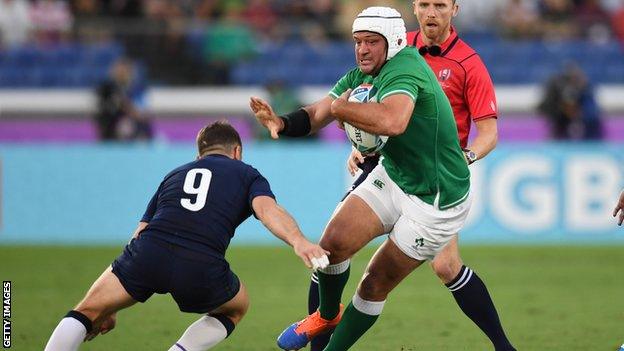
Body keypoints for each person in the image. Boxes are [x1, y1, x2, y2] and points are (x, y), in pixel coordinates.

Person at [251, 6, 478, 350]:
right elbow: (320, 112)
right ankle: (326, 316)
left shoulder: (406, 70)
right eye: (358, 42)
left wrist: (344, 110)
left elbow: (393, 121)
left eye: (372, 42)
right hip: (395, 174)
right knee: (332, 246)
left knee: (374, 283)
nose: (362, 49)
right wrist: (281, 123)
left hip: (436, 199)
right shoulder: (364, 72)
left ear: (394, 42)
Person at [307, 1, 517, 350]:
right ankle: (320, 335)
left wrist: (468, 156)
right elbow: (366, 97)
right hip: (391, 166)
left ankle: (502, 345)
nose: (430, 12)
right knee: (333, 246)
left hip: (435, 177)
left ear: (454, 9)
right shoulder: (392, 45)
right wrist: (360, 142)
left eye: (439, 5)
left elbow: (489, 133)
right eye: (423, 4)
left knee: (446, 267)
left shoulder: (468, 64)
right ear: (414, 9)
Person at [43, 121, 329, 351]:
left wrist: (110, 305)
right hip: (199, 262)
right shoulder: (246, 173)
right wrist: (298, 240)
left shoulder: (175, 174)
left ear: (199, 155)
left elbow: (140, 233)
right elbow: (268, 211)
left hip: (150, 251)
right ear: (237, 152)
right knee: (236, 307)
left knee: (87, 310)